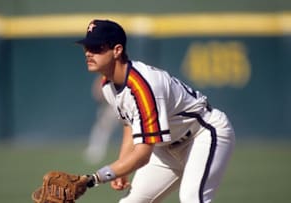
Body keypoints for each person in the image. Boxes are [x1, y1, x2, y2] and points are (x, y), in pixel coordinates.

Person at [76, 19, 235, 203]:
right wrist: (122, 165)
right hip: (167, 149)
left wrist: (93, 179)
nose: (88, 53)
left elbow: (143, 156)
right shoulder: (108, 85)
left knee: (192, 199)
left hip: (202, 134)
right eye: (87, 47)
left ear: (117, 50)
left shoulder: (143, 86)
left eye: (96, 47)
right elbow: (130, 123)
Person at [84, 75, 120, 164]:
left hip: (114, 106)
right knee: (101, 129)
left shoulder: (116, 76)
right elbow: (97, 93)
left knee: (103, 129)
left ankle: (96, 152)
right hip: (107, 106)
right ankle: (95, 151)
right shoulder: (103, 76)